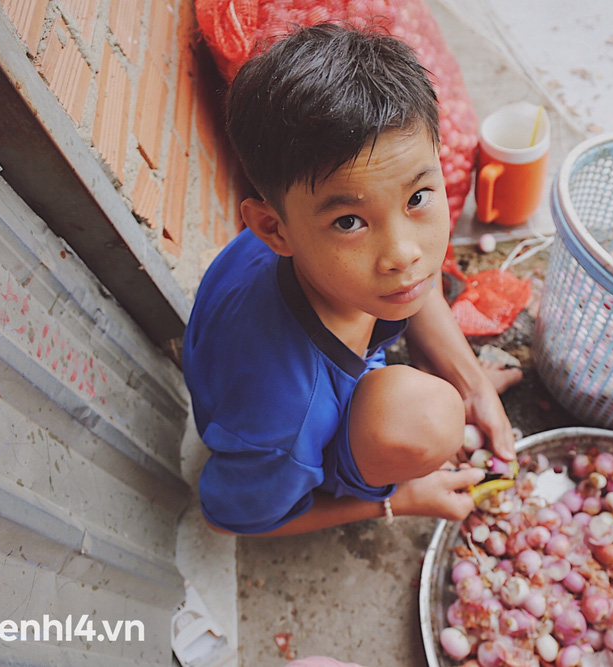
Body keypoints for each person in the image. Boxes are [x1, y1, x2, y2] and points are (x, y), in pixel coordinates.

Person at [182, 23, 521, 537]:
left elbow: (413, 276)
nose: (404, 253)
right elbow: (234, 518)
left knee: (438, 371)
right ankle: (371, 465)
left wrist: (472, 384)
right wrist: (400, 500)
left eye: (418, 197)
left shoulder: (327, 250)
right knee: (428, 420)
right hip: (277, 409)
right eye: (349, 222)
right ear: (274, 230)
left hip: (296, 350)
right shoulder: (284, 420)